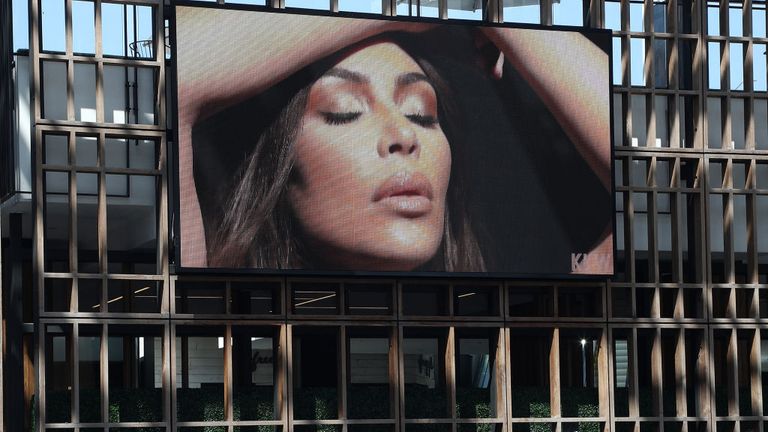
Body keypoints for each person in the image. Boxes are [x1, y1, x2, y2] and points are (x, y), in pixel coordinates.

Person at [176, 8, 612, 273]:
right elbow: (171, 74)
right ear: (274, 166)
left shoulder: (560, 308)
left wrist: (504, 16)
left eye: (422, 114)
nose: (404, 136)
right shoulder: (194, 304)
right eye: (343, 110)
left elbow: (656, 167)